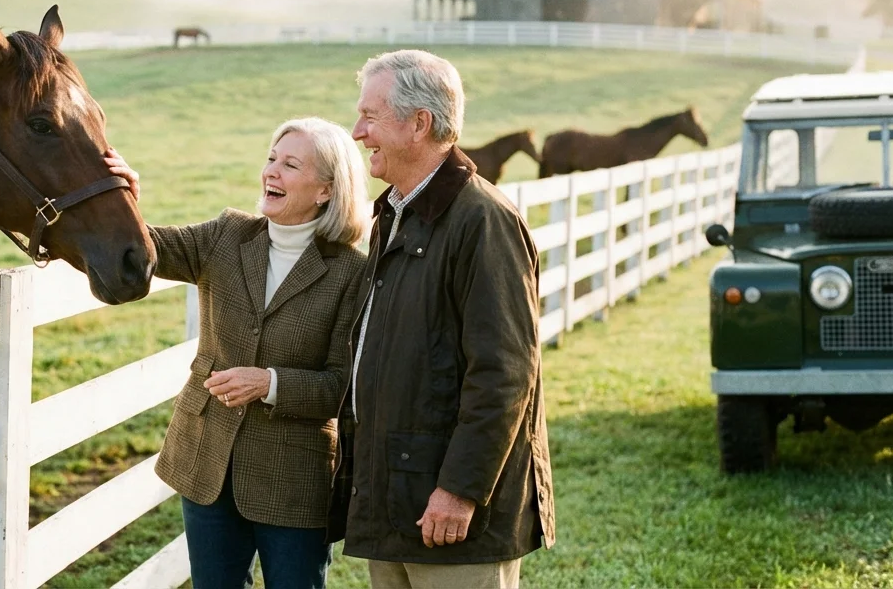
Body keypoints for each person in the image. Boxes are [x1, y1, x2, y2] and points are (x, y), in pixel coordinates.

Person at [104, 117, 371, 589]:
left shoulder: (352, 272)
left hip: (294, 480)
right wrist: (122, 198)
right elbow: (149, 250)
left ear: (326, 191)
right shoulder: (227, 235)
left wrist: (270, 384)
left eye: (290, 164)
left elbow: (341, 386)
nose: (272, 171)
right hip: (206, 462)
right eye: (271, 158)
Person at [330, 49, 555, 589]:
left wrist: (460, 491)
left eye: (370, 116)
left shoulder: (484, 220)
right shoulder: (395, 213)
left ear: (419, 123)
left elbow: (504, 374)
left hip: (454, 517)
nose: (358, 133)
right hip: (396, 500)